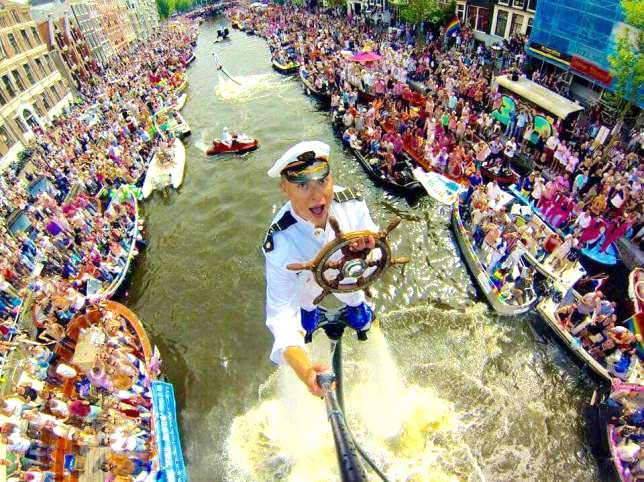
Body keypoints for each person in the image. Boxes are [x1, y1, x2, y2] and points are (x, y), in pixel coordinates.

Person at [263, 141, 378, 397]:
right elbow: (280, 314)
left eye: (322, 181)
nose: (318, 196)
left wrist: (370, 248)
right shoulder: (280, 242)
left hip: (350, 279)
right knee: (303, 313)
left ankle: (358, 309)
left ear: (332, 178)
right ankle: (309, 318)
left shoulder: (352, 203)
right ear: (284, 188)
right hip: (308, 289)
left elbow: (378, 244)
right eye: (303, 185)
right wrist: (305, 372)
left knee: (357, 300)